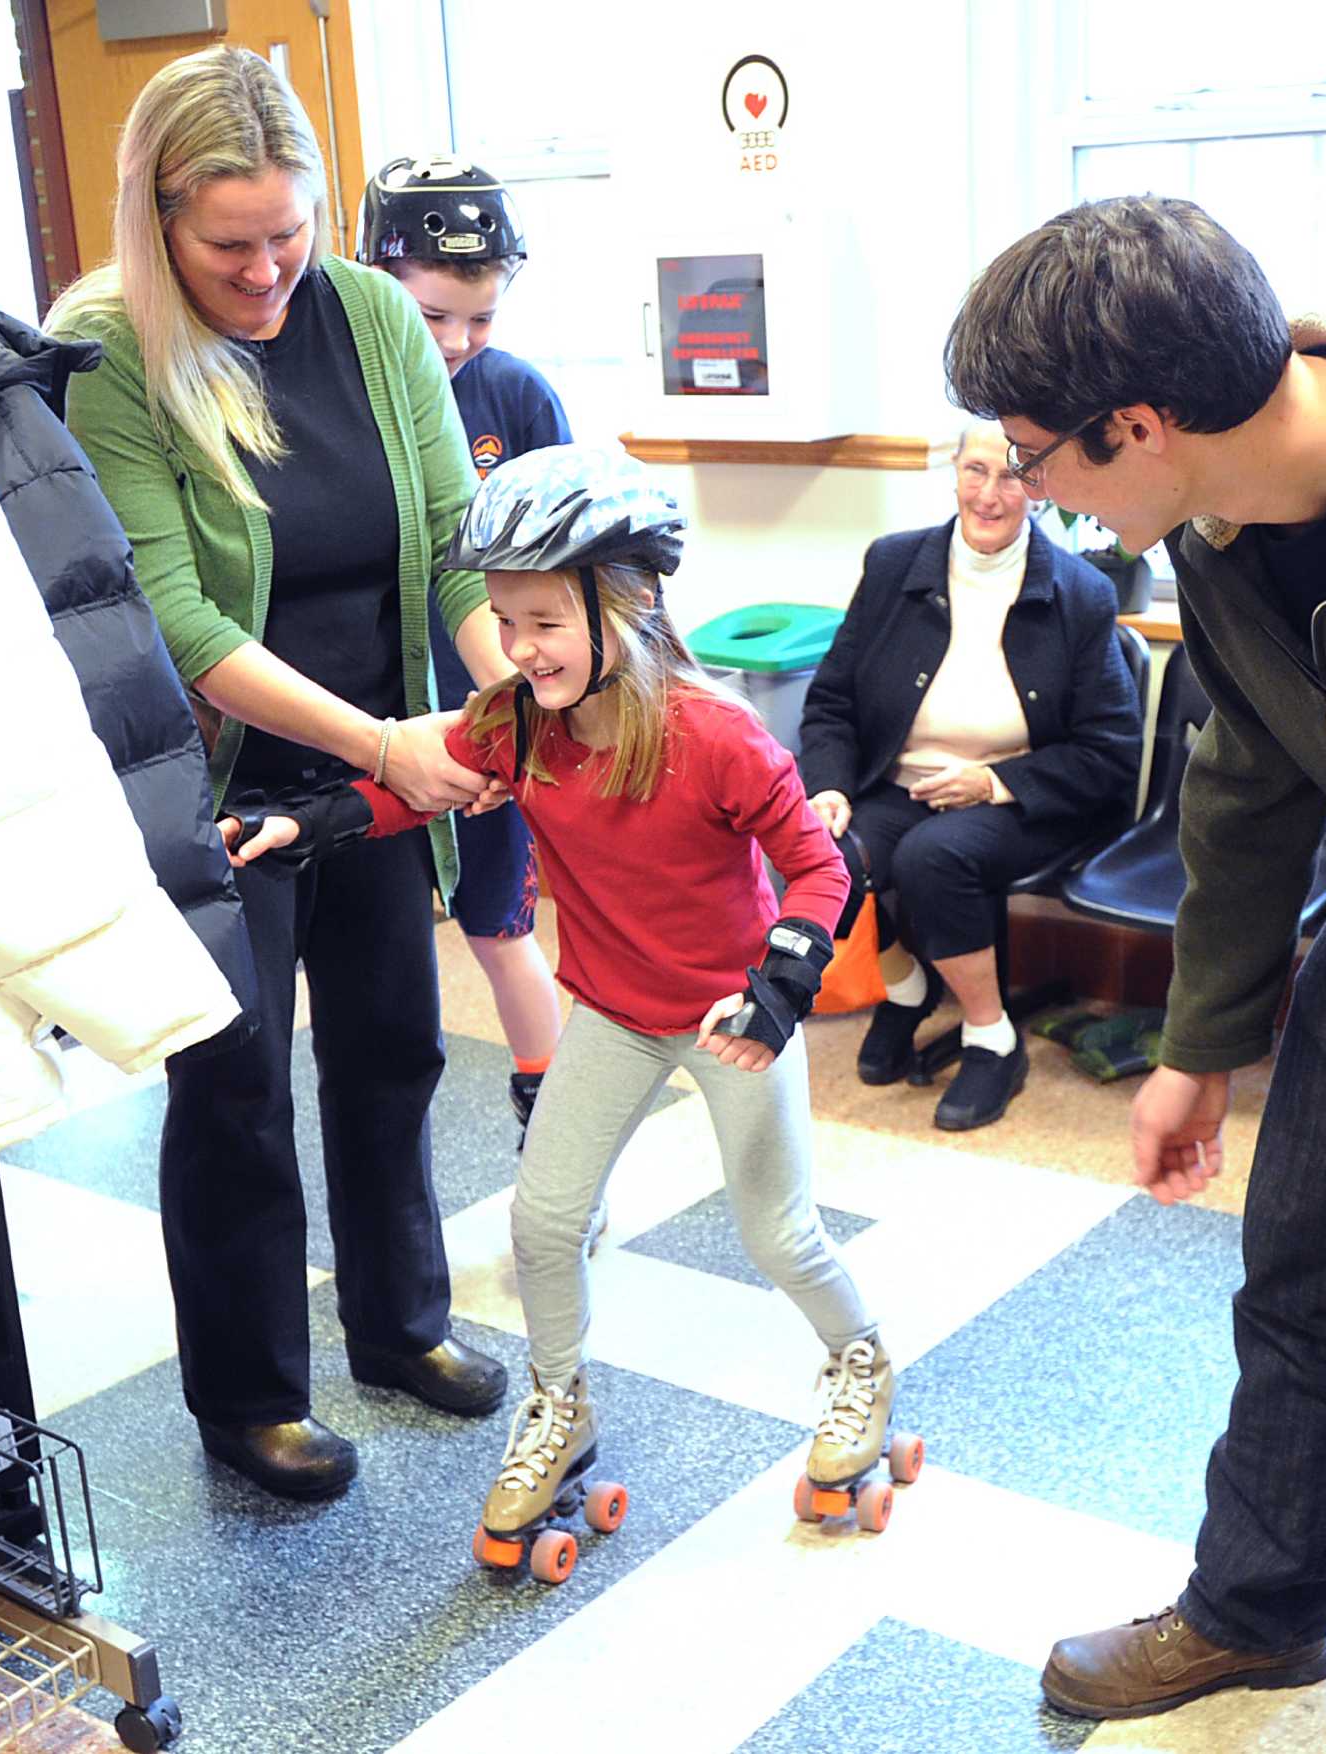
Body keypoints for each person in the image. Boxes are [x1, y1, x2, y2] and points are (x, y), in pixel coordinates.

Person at [945, 194, 1326, 1753]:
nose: (1028, 484)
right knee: (1296, 1267)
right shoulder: (1212, 520)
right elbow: (1246, 777)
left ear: (1138, 425)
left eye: (1036, 450)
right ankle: (1253, 1612)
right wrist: (1196, 1043)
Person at [225, 446, 908, 1560]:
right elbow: (423, 778)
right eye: (502, 617)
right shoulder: (522, 719)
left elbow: (826, 870)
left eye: (542, 620)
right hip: (608, 1011)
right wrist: (312, 823)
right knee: (541, 1223)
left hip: (732, 1019)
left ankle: (862, 1363)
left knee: (775, 1231)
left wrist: (779, 989)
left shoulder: (715, 733)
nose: (516, 646)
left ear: (626, 603)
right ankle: (560, 1404)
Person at [47, 45, 512, 1501]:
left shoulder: (373, 314)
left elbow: (452, 539)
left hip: (381, 778)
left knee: (392, 1051)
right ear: (157, 215)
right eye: (228, 244)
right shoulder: (107, 350)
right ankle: (248, 1397)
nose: (265, 274)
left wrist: (509, 686)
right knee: (235, 1085)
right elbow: (175, 613)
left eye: (288, 235)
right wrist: (385, 742)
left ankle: (400, 1323)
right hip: (226, 787)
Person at [797, 423, 1141, 1130]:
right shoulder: (894, 565)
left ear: (1041, 488)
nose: (990, 494)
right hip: (898, 784)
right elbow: (832, 700)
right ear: (951, 472)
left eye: (1013, 475)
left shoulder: (1080, 594)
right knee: (823, 854)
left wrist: (992, 784)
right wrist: (829, 785)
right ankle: (907, 986)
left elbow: (1110, 751)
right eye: (975, 471)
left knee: (935, 856)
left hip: (1023, 799)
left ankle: (992, 1035)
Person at [358, 154, 570, 1143]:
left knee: (498, 927)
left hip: (494, 707)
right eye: (432, 315)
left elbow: (570, 569)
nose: (455, 341)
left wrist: (528, 716)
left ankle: (551, 1107)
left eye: (478, 319)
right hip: (377, 716)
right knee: (380, 940)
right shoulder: (345, 387)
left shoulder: (516, 397)